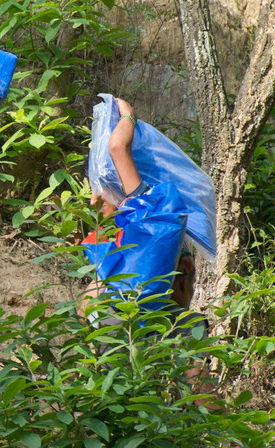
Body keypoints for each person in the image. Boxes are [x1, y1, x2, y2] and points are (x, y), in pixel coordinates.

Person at [85, 98, 198, 320]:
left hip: (145, 327)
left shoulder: (146, 209)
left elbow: (118, 146)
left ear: (117, 189)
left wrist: (126, 114)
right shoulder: (140, 225)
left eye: (99, 188)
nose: (93, 199)